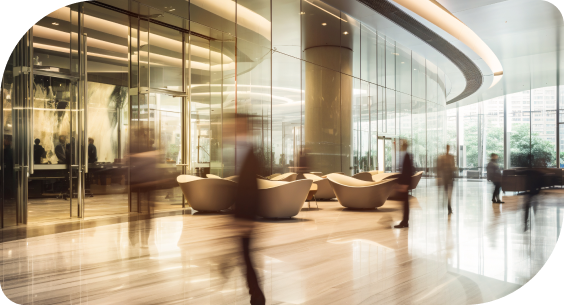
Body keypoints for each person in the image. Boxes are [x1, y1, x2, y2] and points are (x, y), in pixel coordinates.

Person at [231, 115, 266, 305]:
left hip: (246, 217)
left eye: (235, 125)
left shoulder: (250, 154)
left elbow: (251, 189)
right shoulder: (242, 151)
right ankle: (256, 294)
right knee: (245, 256)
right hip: (243, 216)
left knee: (245, 256)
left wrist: (247, 218)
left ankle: (257, 295)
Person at [394, 139, 414, 229]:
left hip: (405, 184)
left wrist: (405, 184)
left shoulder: (407, 156)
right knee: (405, 203)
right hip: (404, 183)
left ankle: (405, 221)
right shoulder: (404, 155)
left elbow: (408, 171)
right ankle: (404, 221)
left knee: (405, 204)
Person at [437, 144, 455, 214]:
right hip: (445, 177)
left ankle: (449, 205)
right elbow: (439, 167)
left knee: (449, 192)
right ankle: (448, 205)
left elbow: (453, 166)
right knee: (447, 192)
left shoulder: (451, 157)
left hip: (450, 177)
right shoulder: (443, 157)